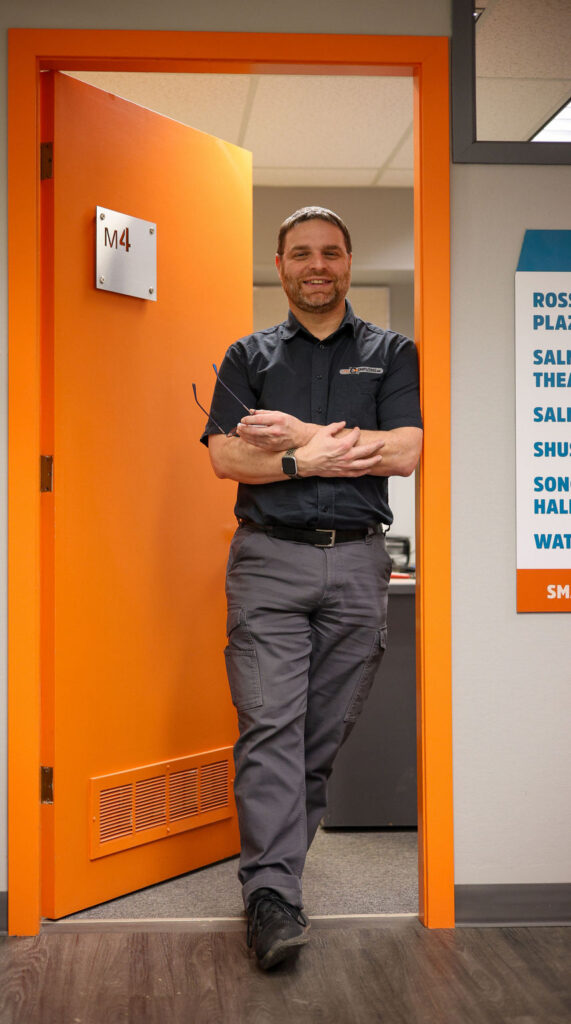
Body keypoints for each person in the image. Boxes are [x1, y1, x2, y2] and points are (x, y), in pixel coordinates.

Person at [200, 206, 423, 970]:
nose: (316, 264)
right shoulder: (248, 356)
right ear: (281, 264)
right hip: (269, 560)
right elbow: (227, 461)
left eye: (330, 252)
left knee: (317, 739)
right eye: (301, 253)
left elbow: (404, 449)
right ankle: (270, 896)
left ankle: (276, 879)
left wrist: (293, 435)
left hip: (358, 562)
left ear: (349, 262)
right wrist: (309, 459)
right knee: (268, 726)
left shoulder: (392, 353)